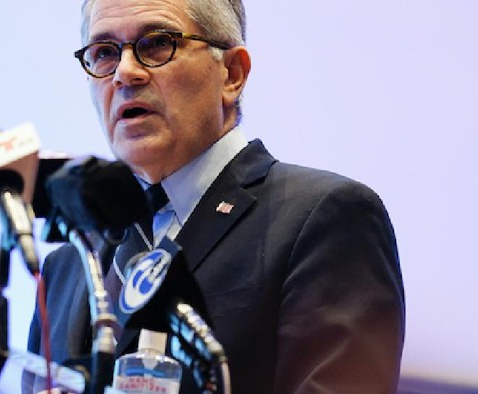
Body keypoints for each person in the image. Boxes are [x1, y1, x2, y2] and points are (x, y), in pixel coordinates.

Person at [25, 0, 405, 392]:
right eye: (104, 53)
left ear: (232, 75)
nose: (125, 72)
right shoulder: (68, 264)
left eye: (157, 43)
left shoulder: (327, 218)